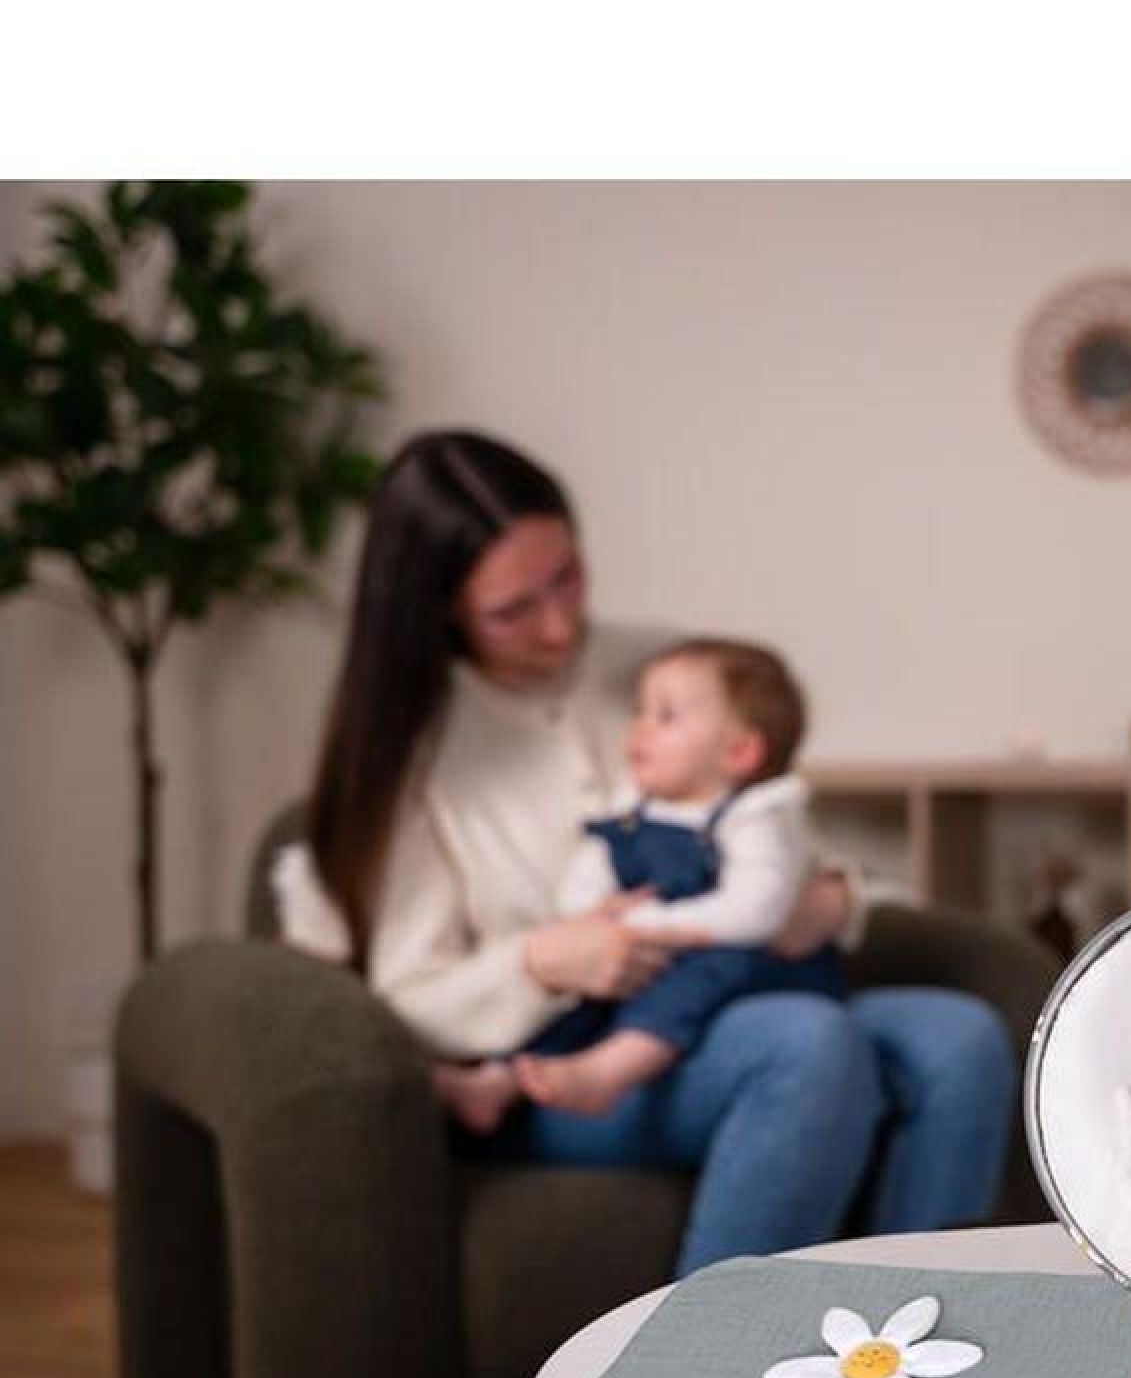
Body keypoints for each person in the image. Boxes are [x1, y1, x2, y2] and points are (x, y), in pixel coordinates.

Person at [274, 429, 1014, 1275]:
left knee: (959, 1041)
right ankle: (704, 1359)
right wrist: (540, 962)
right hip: (565, 1060)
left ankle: (919, 1338)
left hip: (736, 999)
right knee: (806, 1045)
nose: (559, 625)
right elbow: (405, 1002)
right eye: (514, 610)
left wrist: (828, 904)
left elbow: (782, 838)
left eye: (568, 577)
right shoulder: (410, 758)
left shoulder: (664, 669)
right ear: (439, 610)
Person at [435, 636, 847, 1127]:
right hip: (649, 954)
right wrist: (592, 919)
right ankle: (497, 1082)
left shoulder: (755, 816)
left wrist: (652, 923)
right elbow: (585, 881)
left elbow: (756, 911)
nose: (640, 729)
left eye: (665, 716)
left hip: (743, 967)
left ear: (739, 752)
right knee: (579, 998)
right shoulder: (633, 810)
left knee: (708, 969)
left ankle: (608, 1073)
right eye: (640, 711)